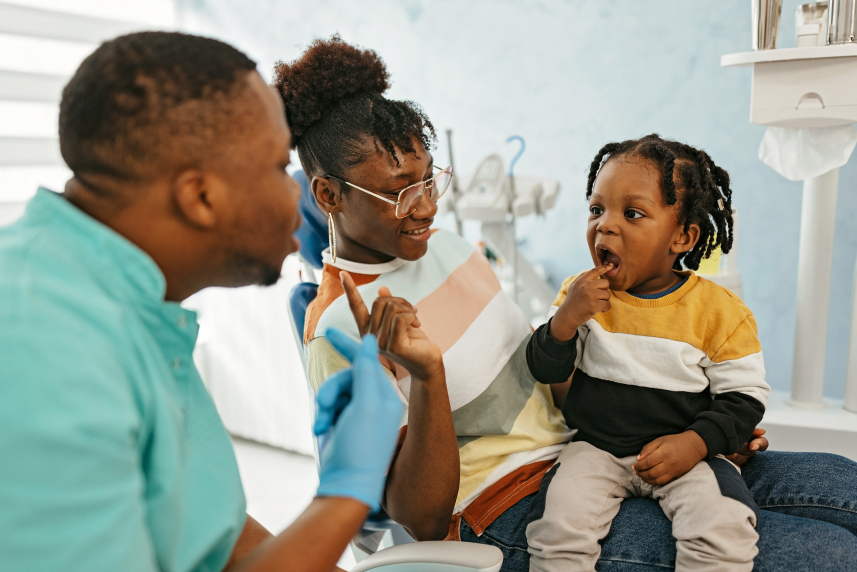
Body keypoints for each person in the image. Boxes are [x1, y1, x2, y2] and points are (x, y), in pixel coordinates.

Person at [279, 36, 857, 571]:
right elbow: (421, 519)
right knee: (828, 555)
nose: (427, 206)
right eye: (401, 190)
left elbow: (538, 377)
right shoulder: (338, 328)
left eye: (429, 180)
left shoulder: (450, 248)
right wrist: (426, 375)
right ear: (328, 194)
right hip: (502, 508)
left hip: (592, 450)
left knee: (845, 488)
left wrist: (697, 424)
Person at [0, 31, 405, 572]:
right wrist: (348, 494)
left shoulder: (126, 297)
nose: (299, 193)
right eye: (275, 167)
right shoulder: (42, 349)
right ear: (201, 197)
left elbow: (214, 538)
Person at [525, 135, 768, 571]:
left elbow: (745, 399)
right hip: (594, 450)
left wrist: (696, 443)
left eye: (632, 213)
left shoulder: (719, 313)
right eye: (597, 209)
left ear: (682, 237)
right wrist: (565, 320)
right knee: (555, 530)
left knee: (724, 528)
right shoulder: (578, 296)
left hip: (687, 455)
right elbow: (545, 368)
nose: (606, 226)